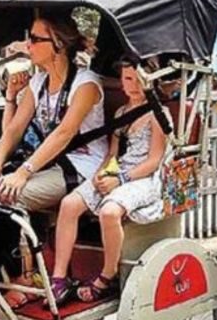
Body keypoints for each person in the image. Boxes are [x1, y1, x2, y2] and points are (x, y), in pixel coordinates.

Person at [0, 10, 107, 306]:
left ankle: (28, 277)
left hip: (81, 167)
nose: (27, 45)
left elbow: (64, 133)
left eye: (34, 39)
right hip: (49, 163)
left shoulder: (86, 84)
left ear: (58, 44)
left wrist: (23, 172)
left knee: (12, 195)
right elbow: (16, 128)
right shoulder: (39, 83)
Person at [50, 60, 169, 305]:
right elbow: (112, 154)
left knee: (109, 211)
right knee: (70, 203)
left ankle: (108, 272)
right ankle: (59, 277)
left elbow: (155, 160)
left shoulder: (158, 114)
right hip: (118, 172)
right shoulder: (120, 114)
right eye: (128, 79)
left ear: (151, 80)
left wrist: (121, 179)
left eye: (139, 80)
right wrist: (103, 172)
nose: (134, 86)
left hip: (144, 177)